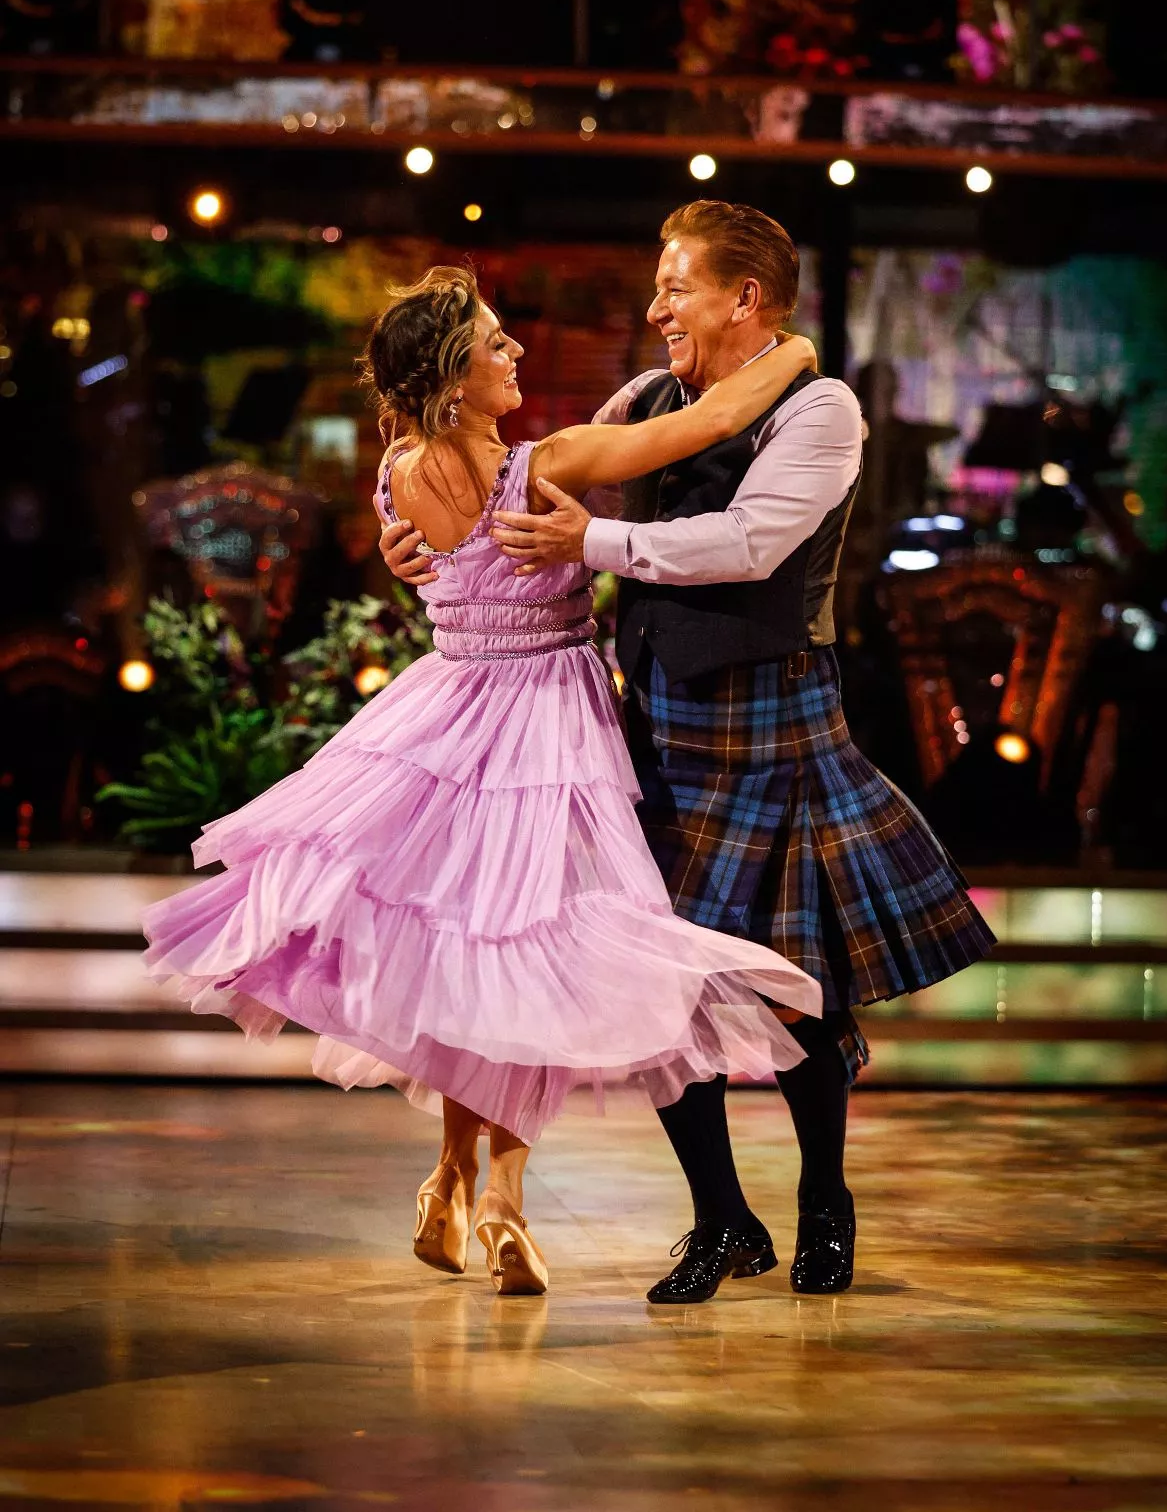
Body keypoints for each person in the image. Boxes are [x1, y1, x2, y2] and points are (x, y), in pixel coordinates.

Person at [143, 264, 826, 1299]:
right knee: (529, 958)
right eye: (496, 345)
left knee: (487, 962)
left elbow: (421, 545)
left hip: (447, 715)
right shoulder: (545, 466)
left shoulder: (398, 471)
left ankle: (462, 1182)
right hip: (541, 729)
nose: (515, 355)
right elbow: (709, 422)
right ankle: (491, 1197)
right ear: (453, 378)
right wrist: (802, 351)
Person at [381, 203, 995, 1305]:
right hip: (657, 725)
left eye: (675, 287)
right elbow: (564, 461)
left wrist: (592, 541)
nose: (655, 307)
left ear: (742, 299)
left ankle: (823, 1205)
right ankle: (721, 1222)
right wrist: (430, 538)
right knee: (651, 983)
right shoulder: (655, 397)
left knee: (804, 990)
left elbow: (749, 540)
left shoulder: (823, 409)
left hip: (774, 717)